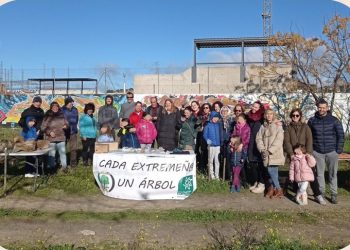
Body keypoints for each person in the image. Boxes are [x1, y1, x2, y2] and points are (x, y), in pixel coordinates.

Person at [284, 108, 326, 205]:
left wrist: (308, 153)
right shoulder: (288, 128)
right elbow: (287, 142)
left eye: (297, 115)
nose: (295, 117)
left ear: (300, 116)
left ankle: (317, 194)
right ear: (291, 116)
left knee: (311, 174)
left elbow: (309, 140)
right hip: (294, 155)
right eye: (293, 115)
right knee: (296, 174)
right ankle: (298, 194)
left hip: (305, 154)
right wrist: (291, 153)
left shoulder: (305, 127)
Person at [308, 99, 344, 204]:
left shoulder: (334, 120)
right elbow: (309, 136)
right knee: (319, 174)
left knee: (333, 174)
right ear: (317, 107)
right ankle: (321, 193)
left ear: (327, 108)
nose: (321, 109)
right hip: (318, 152)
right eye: (320, 107)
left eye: (324, 107)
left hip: (332, 151)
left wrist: (338, 150)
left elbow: (340, 135)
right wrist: (312, 150)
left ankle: (333, 194)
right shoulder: (312, 120)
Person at [256, 109, 285, 198]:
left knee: (271, 171)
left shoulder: (278, 125)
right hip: (265, 152)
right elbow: (258, 139)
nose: (269, 116)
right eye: (267, 114)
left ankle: (279, 189)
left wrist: (270, 151)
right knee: (271, 172)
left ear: (273, 115)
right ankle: (271, 189)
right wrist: (262, 149)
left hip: (274, 153)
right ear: (265, 115)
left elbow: (279, 140)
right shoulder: (263, 126)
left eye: (271, 114)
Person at [41, 102, 69, 173]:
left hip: (61, 137)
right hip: (51, 138)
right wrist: (49, 132)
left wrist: (66, 126)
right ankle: (51, 168)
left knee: (62, 153)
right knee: (52, 154)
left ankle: (64, 167)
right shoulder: (47, 116)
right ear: (51, 107)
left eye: (56, 106)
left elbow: (67, 123)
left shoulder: (62, 115)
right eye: (53, 106)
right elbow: (43, 127)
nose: (55, 108)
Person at [246, 101, 266, 194]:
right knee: (253, 164)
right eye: (253, 106)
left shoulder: (262, 118)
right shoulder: (249, 117)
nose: (253, 108)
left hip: (259, 144)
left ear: (260, 109)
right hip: (251, 144)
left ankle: (262, 183)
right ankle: (256, 181)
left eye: (256, 107)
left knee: (261, 165)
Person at [203, 111, 223, 180]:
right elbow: (205, 135)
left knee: (217, 161)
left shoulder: (218, 125)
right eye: (214, 117)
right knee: (211, 161)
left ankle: (217, 175)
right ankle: (211, 175)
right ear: (211, 117)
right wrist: (207, 140)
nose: (216, 119)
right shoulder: (207, 125)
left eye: (217, 117)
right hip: (211, 146)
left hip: (218, 145)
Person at [62, 96, 79, 167]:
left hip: (73, 131)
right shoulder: (61, 110)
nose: (72, 103)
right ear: (66, 103)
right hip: (64, 132)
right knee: (62, 148)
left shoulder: (75, 110)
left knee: (73, 148)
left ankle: (73, 163)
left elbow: (77, 119)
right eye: (70, 102)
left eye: (72, 102)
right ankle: (62, 163)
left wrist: (74, 127)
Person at [196, 103, 212, 173]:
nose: (205, 109)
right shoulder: (200, 117)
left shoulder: (212, 116)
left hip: (210, 138)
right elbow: (197, 127)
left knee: (210, 155)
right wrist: (200, 126)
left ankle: (209, 172)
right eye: (204, 108)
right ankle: (203, 170)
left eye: (207, 107)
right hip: (202, 137)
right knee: (203, 153)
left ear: (209, 109)